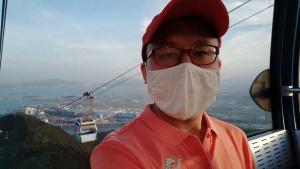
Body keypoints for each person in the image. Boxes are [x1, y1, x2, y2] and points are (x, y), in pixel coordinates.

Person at [90, 0, 256, 168]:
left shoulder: (237, 138)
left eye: (200, 52)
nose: (186, 66)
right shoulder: (117, 153)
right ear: (145, 72)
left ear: (217, 67)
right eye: (167, 53)